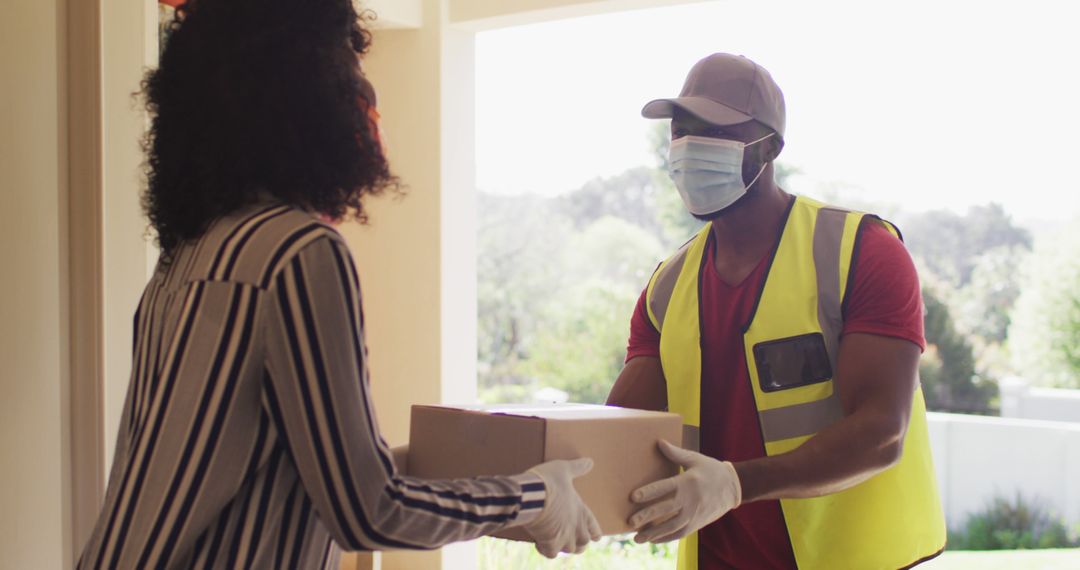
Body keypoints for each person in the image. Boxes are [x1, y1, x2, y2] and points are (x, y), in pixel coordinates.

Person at [75, 1, 599, 568]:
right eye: (348, 56)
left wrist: (439, 471)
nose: (364, 86)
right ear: (303, 85)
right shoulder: (299, 253)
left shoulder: (191, 252)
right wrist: (535, 497)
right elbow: (365, 511)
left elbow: (271, 470)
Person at [607, 53, 946, 569]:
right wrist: (547, 481)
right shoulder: (666, 288)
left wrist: (737, 483)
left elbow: (882, 432)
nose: (688, 146)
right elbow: (620, 435)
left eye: (712, 128)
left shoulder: (861, 251)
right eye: (680, 130)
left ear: (769, 146)